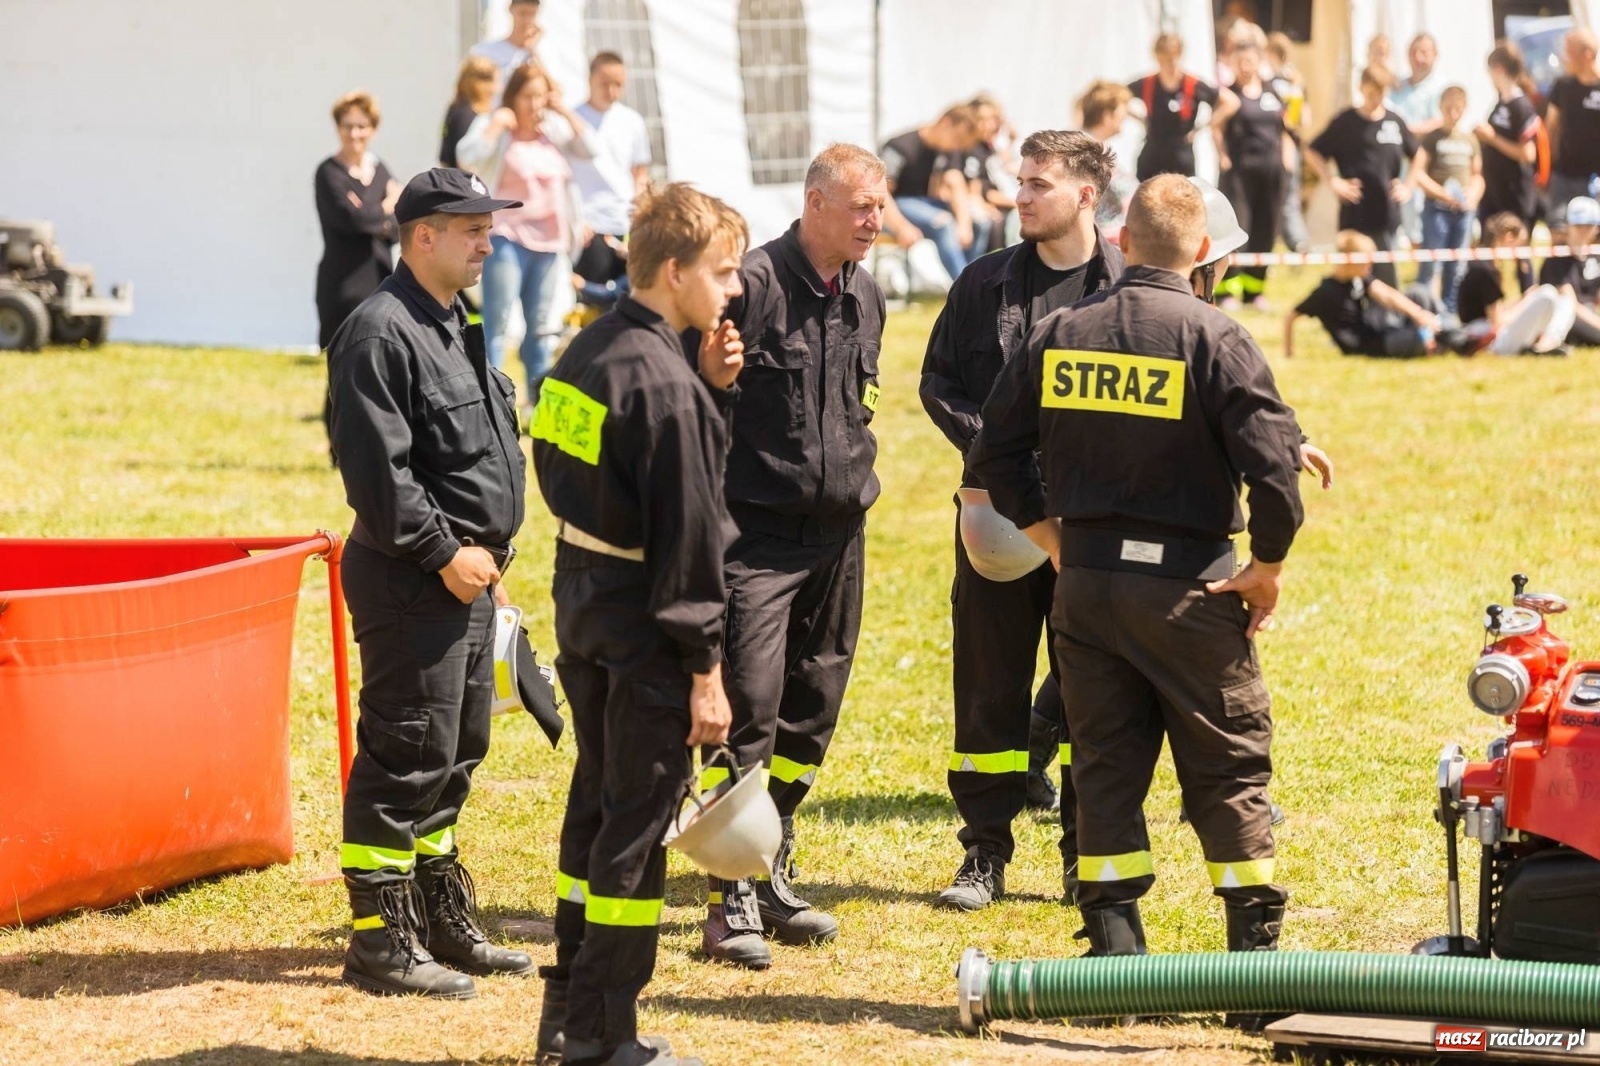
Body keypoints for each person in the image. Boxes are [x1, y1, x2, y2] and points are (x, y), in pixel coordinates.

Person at [966, 173, 1304, 969]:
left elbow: (993, 454)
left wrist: (1051, 538)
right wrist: (1268, 566)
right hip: (1190, 592)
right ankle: (1251, 956)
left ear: (1121, 241)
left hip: (1086, 592)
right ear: (1202, 251)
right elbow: (1275, 475)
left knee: (1104, 763)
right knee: (1227, 762)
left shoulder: (1059, 333)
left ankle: (1114, 954)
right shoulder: (1216, 337)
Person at [529, 182, 747, 1066]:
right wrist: (706, 671)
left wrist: (710, 393)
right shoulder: (666, 389)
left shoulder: (584, 351)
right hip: (649, 623)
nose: (733, 289)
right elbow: (690, 536)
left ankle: (565, 1011)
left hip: (583, 599)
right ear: (674, 272)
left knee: (595, 802)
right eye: (723, 272)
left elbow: (562, 463)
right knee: (637, 823)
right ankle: (602, 1033)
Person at [326, 167, 529, 1000]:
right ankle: (380, 941)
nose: (488, 242)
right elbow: (380, 475)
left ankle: (437, 918)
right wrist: (446, 553)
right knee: (405, 753)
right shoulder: (379, 333)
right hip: (413, 577)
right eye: (472, 229)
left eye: (489, 227)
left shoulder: (454, 322)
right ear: (423, 236)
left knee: (452, 754)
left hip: (467, 579)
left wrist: (489, 571)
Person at [920, 130, 1126, 913]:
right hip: (998, 517)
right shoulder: (983, 282)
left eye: (1039, 184)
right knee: (989, 690)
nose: (1021, 196)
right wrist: (999, 451)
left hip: (1091, 525)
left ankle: (1085, 855)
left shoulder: (1128, 287)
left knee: (1092, 694)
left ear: (1085, 195)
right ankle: (984, 853)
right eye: (1021, 181)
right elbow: (938, 381)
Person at [695, 144, 889, 970]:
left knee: (813, 706)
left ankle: (770, 862)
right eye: (862, 206)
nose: (876, 220)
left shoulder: (865, 293)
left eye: (880, 205)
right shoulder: (752, 286)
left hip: (840, 535)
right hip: (758, 540)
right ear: (815, 204)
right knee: (750, 707)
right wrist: (710, 375)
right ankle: (728, 895)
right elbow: (695, 401)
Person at [457, 63, 596, 405]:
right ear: (513, 97)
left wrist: (564, 110)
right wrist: (495, 125)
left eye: (541, 96)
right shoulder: (499, 128)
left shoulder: (554, 133)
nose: (535, 104)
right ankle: (490, 400)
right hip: (507, 237)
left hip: (549, 243)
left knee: (541, 326)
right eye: (528, 96)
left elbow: (591, 148)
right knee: (498, 320)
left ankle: (536, 401)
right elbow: (466, 157)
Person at [315, 91, 399, 458]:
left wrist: (379, 216)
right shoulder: (328, 173)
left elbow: (398, 226)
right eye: (348, 126)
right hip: (343, 284)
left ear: (373, 129)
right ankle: (339, 445)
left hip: (380, 281)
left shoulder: (380, 170)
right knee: (343, 367)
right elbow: (353, 221)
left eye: (362, 126)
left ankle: (374, 442)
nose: (355, 134)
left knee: (378, 365)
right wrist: (384, 208)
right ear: (337, 128)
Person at [1306, 66, 1422, 290]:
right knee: (1351, 279)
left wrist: (1408, 186)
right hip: (1355, 212)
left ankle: (1385, 311)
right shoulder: (1346, 121)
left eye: (1380, 94)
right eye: (1370, 94)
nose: (1375, 100)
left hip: (1386, 212)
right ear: (1361, 88)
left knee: (1386, 278)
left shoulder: (1394, 121)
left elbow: (1418, 154)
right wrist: (1333, 181)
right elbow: (1312, 152)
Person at [569, 51, 652, 311]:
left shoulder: (632, 121)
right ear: (590, 79)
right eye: (605, 84)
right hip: (589, 227)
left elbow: (640, 173)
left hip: (625, 225)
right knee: (590, 305)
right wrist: (575, 219)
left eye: (618, 84)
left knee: (629, 304)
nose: (612, 91)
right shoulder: (572, 118)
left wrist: (640, 218)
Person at [1284, 230, 1447, 358]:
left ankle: (1446, 330)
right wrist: (1289, 352)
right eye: (1365, 262)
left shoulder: (1358, 278)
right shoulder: (1325, 293)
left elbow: (1386, 294)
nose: (1369, 267)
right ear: (1348, 261)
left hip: (1380, 329)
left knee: (1418, 292)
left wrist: (1418, 314)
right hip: (1368, 345)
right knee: (1419, 339)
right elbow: (1291, 316)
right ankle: (1445, 337)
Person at [1216, 34, 1290, 309]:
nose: (1245, 67)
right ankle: (1226, 291)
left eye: (1249, 61)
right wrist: (1222, 155)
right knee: (1238, 229)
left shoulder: (1273, 92)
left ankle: (1254, 292)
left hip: (1271, 173)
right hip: (1239, 174)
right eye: (1240, 62)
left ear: (1259, 62)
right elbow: (1215, 126)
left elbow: (1286, 127)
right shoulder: (1229, 95)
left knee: (1266, 229)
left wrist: (1287, 158)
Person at [881, 105, 985, 282]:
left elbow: (955, 182)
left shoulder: (946, 149)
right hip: (896, 207)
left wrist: (964, 223)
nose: (958, 146)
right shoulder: (898, 147)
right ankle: (965, 286)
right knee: (943, 223)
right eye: (957, 138)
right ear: (946, 122)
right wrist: (901, 227)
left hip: (925, 204)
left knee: (980, 222)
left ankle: (973, 280)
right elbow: (881, 193)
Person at [1453, 211, 1573, 355]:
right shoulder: (1484, 268)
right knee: (1547, 294)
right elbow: (1498, 321)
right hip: (1488, 335)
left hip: (1497, 330)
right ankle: (1542, 346)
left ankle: (1545, 345)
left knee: (1565, 302)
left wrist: (1525, 299)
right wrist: (1528, 300)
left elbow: (1501, 310)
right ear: (1509, 238)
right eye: (1520, 244)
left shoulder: (1492, 265)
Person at [1477, 42, 1542, 296]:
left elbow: (1528, 154)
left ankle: (1531, 301)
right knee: (1488, 251)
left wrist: (1492, 138)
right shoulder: (1500, 103)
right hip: (1494, 193)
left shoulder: (1520, 105)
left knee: (1521, 257)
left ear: (1499, 68)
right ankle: (1488, 302)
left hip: (1515, 195)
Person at [1128, 33, 1238, 182]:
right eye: (1163, 60)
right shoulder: (1148, 84)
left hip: (1181, 156)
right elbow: (1117, 96)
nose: (1168, 65)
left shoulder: (1192, 84)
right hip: (1152, 155)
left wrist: (1204, 126)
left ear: (1180, 55)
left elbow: (1231, 102)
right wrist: (1139, 119)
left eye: (1172, 59)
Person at [1413, 86, 1483, 314]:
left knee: (1457, 265)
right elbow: (1418, 173)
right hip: (1437, 209)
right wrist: (1441, 194)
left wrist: (1473, 195)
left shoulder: (1470, 140)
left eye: (1458, 108)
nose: (1453, 113)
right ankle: (1423, 311)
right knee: (1431, 263)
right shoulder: (1432, 138)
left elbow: (1477, 175)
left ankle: (1450, 312)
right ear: (1441, 107)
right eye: (1448, 108)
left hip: (1463, 211)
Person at [1542, 29, 1600, 228]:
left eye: (1569, 52)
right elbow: (1550, 128)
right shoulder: (1563, 86)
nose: (1564, 58)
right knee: (1558, 229)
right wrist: (1545, 169)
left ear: (1587, 55)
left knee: (1593, 233)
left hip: (1595, 179)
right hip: (1563, 176)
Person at [1267, 32, 1312, 253]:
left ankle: (1295, 239)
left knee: (1285, 194)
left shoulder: (1273, 82)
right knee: (1288, 195)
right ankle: (1292, 239)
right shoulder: (1296, 81)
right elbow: (1305, 120)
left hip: (1278, 143)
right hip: (1286, 143)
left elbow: (1300, 118)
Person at [1535, 195, 1600, 346]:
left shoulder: (1595, 256)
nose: (1583, 230)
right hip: (1565, 316)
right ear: (1568, 225)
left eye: (1589, 225)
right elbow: (1571, 303)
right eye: (1579, 225)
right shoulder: (1557, 257)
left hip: (1589, 312)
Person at [1079, 82, 1138, 233]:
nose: (1125, 117)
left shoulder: (1081, 144)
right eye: (1121, 112)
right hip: (1106, 236)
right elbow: (1130, 193)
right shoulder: (1092, 151)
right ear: (1107, 116)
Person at [440, 57, 501, 169]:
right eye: (495, 82)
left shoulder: (455, 107)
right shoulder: (469, 114)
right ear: (480, 84)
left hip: (447, 176)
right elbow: (463, 160)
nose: (498, 89)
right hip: (460, 177)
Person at [471, 0, 546, 84]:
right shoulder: (484, 51)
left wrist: (533, 50)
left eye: (532, 14)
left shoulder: (540, 55)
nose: (527, 20)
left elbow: (552, 90)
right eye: (522, 13)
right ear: (510, 8)